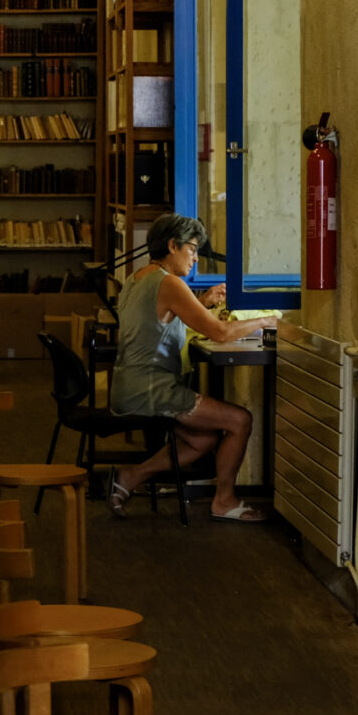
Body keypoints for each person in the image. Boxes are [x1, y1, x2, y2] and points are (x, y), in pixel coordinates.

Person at [107, 213, 280, 522]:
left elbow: (161, 319)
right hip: (151, 391)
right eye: (192, 248)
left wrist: (204, 301)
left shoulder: (136, 279)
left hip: (127, 386)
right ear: (172, 246)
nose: (196, 258)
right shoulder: (169, 283)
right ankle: (224, 501)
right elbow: (221, 333)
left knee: (203, 439)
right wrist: (268, 320)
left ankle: (130, 476)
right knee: (240, 420)